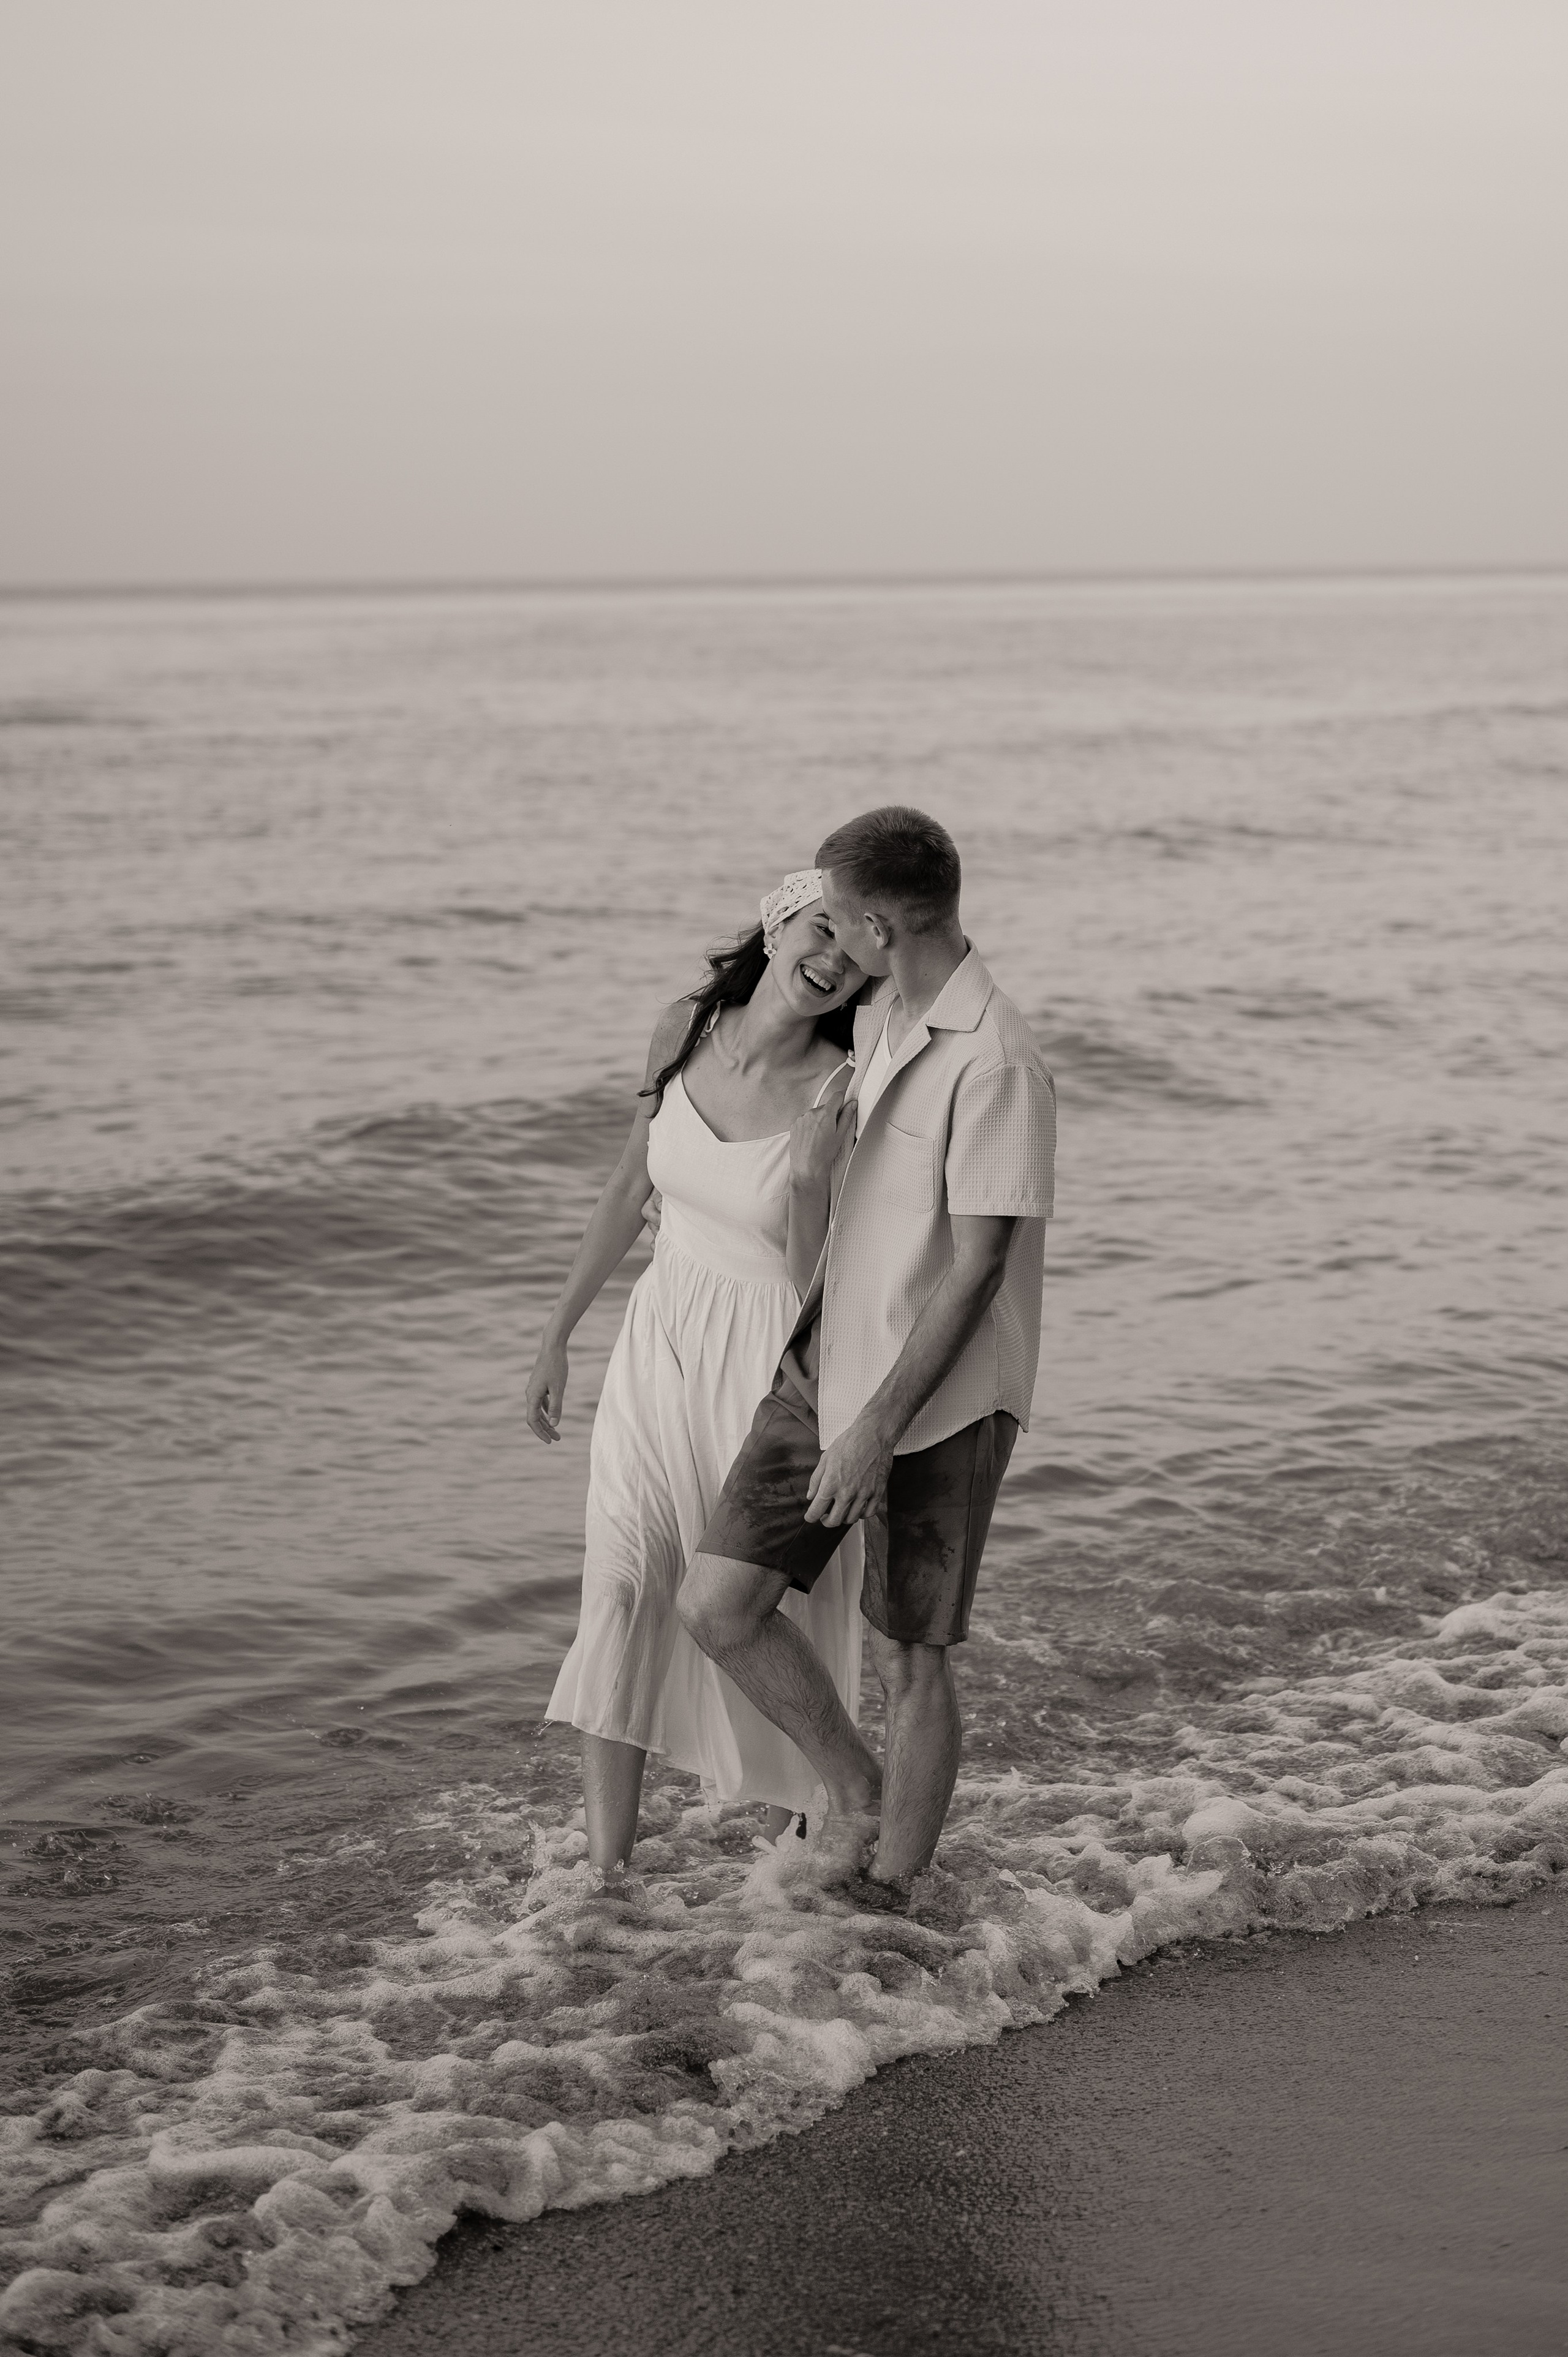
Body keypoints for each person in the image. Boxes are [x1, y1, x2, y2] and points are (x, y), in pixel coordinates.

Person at [677, 807, 1056, 1904]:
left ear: (883, 928)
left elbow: (977, 1271)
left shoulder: (996, 1063)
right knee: (717, 1604)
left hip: (941, 1401)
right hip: (825, 1360)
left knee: (909, 1655)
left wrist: (874, 1433)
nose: (831, 945)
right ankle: (855, 1790)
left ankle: (893, 1898)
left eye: (840, 921)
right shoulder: (885, 1011)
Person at [527, 871, 867, 1874]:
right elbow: (628, 1184)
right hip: (659, 1343)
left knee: (754, 1617)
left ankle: (792, 1866)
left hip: (767, 1369)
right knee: (622, 1589)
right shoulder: (684, 1026)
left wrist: (809, 1179)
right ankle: (606, 1878)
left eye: (855, 955)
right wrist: (556, 1336)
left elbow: (820, 1289)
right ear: (778, 923)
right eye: (819, 931)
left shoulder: (843, 1090)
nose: (830, 962)